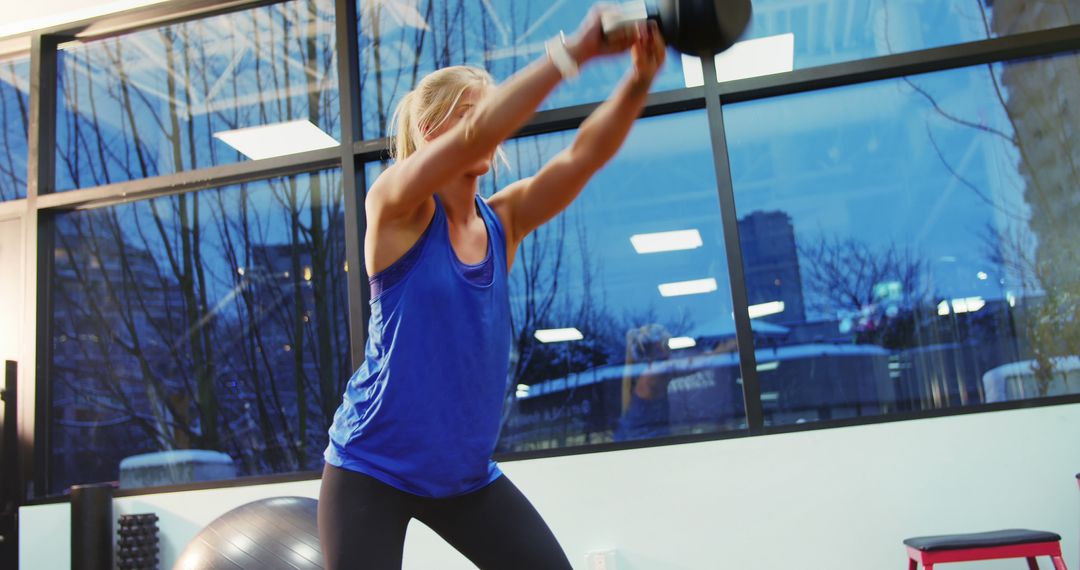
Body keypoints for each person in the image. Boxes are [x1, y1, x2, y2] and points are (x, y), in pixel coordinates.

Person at [317, 6, 667, 569]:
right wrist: (571, 52)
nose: (496, 128)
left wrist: (638, 82)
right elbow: (483, 130)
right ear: (432, 133)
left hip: (464, 477)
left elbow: (584, 156)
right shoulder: (396, 206)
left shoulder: (504, 221)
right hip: (371, 467)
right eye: (475, 116)